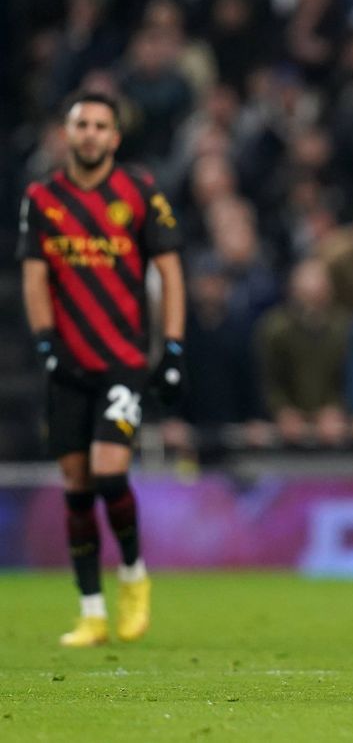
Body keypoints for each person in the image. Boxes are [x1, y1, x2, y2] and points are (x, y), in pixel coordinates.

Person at [17, 91, 186, 647]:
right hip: (68, 363)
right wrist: (45, 342)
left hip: (122, 359)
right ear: (68, 134)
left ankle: (134, 574)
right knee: (76, 485)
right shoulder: (42, 198)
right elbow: (36, 276)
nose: (90, 133)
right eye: (81, 124)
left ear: (114, 137)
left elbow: (169, 268)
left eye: (99, 125)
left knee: (110, 473)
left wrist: (173, 348)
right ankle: (91, 610)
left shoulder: (138, 191)